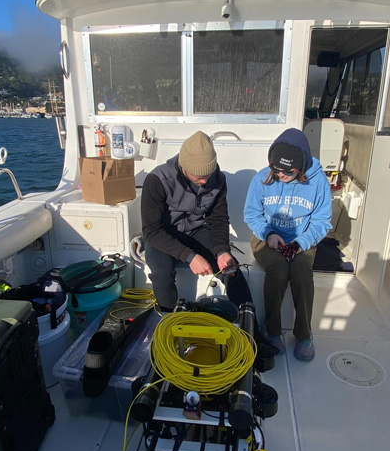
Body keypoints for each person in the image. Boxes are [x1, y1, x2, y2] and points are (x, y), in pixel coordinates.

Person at [243, 128, 332, 361]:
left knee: (302, 271)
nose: (280, 174)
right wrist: (269, 233)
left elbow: (322, 222)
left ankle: (304, 334)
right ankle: (271, 331)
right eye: (275, 168)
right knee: (278, 269)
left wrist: (300, 243)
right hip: (266, 236)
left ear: (300, 167)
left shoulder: (318, 181)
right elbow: (252, 215)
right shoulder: (261, 178)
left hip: (302, 239)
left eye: (287, 171)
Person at [141, 130, 244, 313]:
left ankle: (251, 327)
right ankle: (168, 324)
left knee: (231, 269)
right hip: (163, 236)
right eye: (198, 177)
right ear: (184, 167)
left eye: (208, 175)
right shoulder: (156, 180)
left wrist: (222, 250)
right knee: (162, 274)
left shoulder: (218, 179)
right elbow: (152, 231)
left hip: (196, 231)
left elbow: (218, 218)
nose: (204, 181)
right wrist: (190, 257)